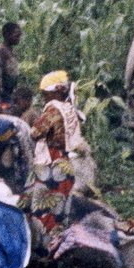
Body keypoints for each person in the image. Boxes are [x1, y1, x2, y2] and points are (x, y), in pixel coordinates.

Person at [28, 71, 96, 231]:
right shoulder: (69, 109)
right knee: (61, 201)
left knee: (43, 204)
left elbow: (35, 132)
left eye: (46, 94)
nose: (44, 97)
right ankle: (58, 238)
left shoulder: (53, 110)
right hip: (66, 160)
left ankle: (43, 243)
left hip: (51, 160)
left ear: (56, 92)